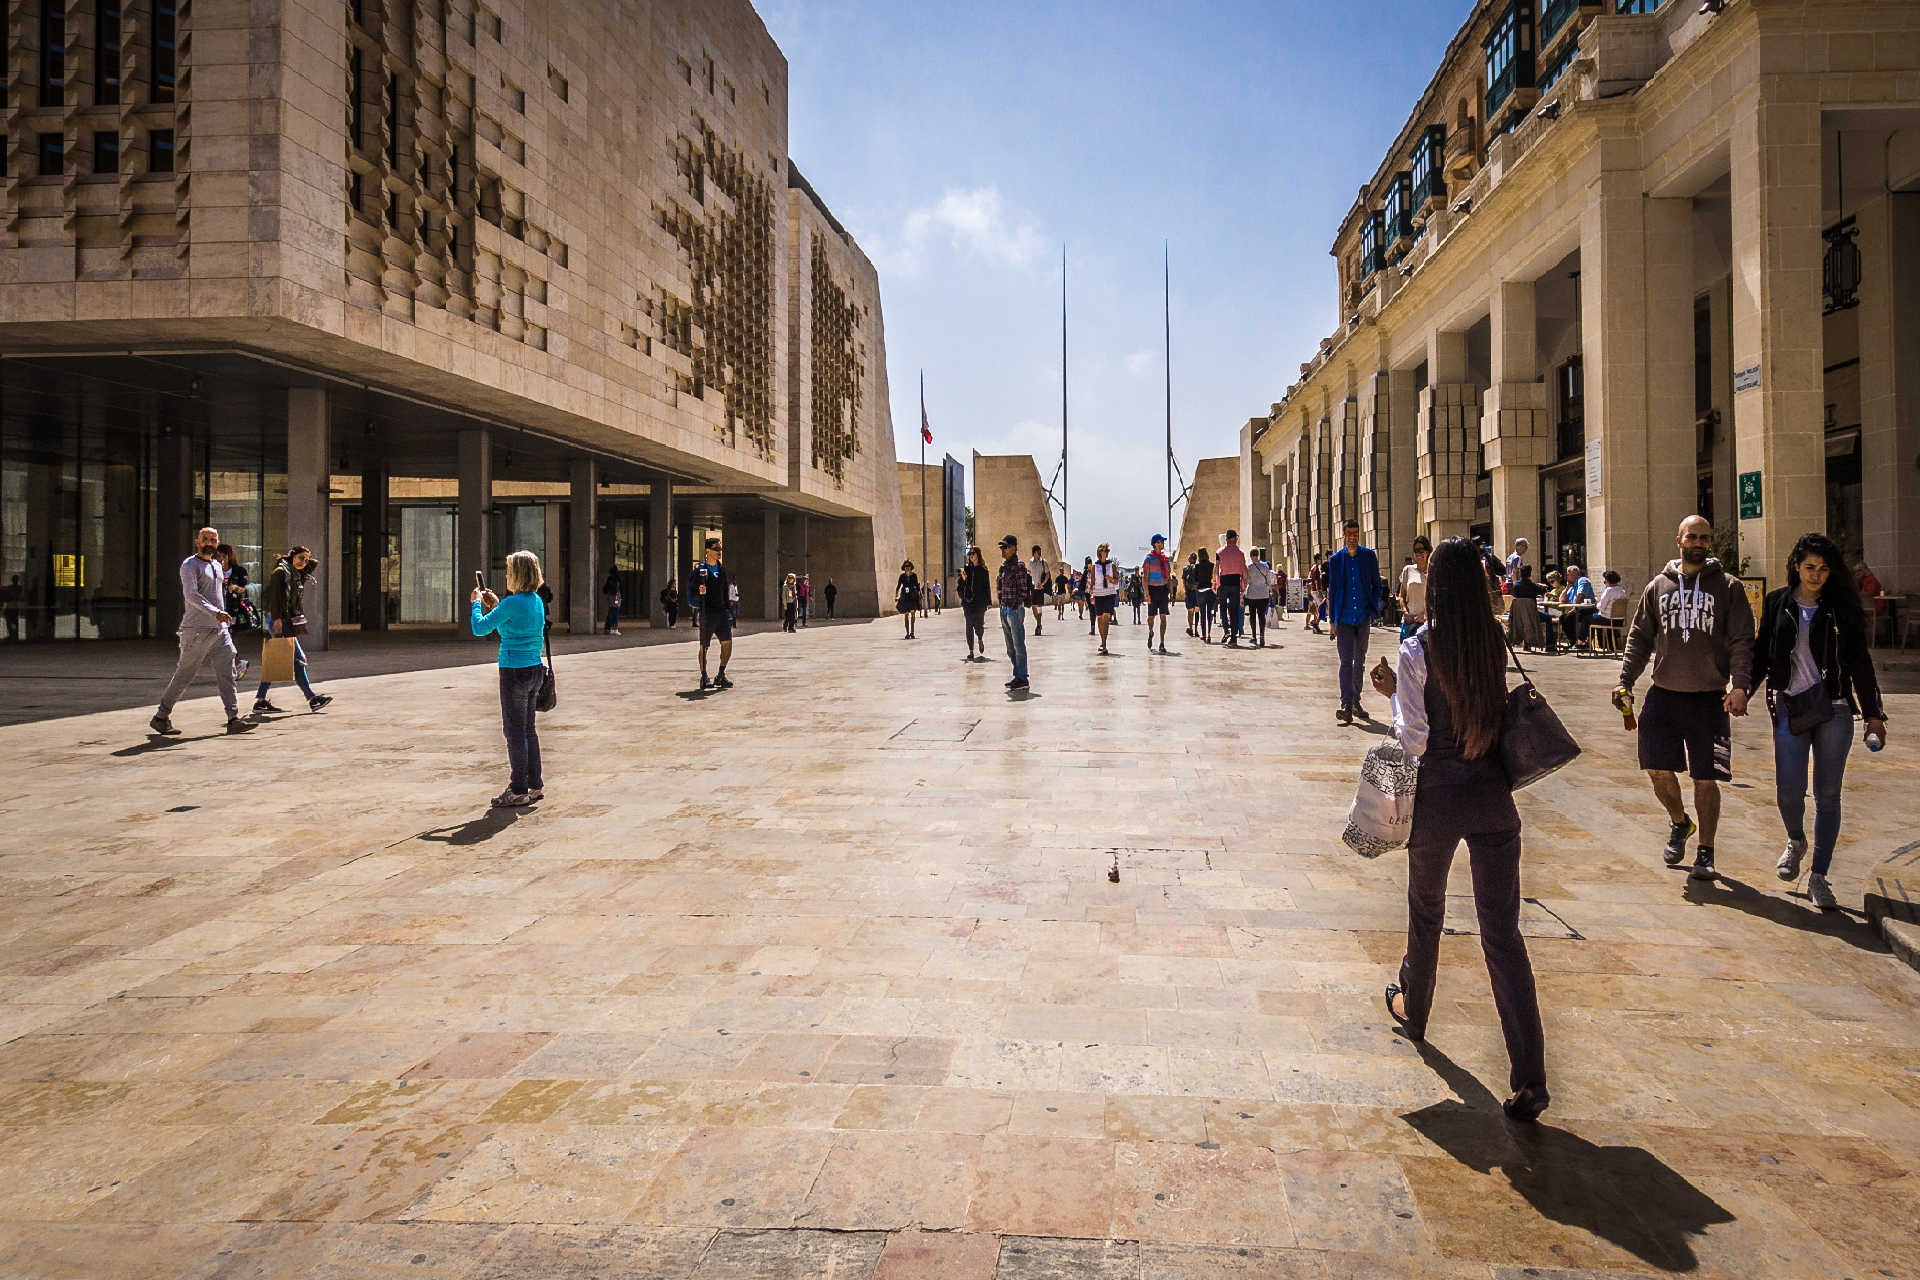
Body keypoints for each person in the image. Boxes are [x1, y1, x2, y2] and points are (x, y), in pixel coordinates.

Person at [1371, 536, 1549, 1123]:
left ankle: (1414, 1006)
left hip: (1439, 798)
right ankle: (1529, 1075)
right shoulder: (1491, 640)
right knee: (1503, 936)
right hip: (1493, 796)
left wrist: (1392, 693)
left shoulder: (1419, 645)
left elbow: (1413, 737)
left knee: (1426, 910)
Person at [1749, 533, 1888, 910]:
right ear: (1796, 566)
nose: (1816, 575)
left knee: (1828, 794)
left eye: (1823, 569)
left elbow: (1860, 662)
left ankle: (1820, 876)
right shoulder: (1778, 602)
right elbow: (1762, 654)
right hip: (1791, 706)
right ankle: (1796, 839)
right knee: (1788, 790)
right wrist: (1741, 692)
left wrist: (1874, 715)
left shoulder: (1841, 607)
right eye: (1810, 567)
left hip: (1836, 709)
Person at [1613, 515, 1755, 882]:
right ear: (1678, 540)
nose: (1698, 542)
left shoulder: (1728, 587)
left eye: (1704, 538)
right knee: (1656, 767)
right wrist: (1625, 680)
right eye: (1692, 536)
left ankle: (1706, 851)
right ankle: (1680, 823)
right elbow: (1639, 638)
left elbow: (1742, 639)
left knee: (1706, 779)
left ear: (1710, 543)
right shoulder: (1657, 587)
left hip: (1709, 698)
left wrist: (1740, 686)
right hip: (1664, 695)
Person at [150, 527, 256, 737]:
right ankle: (161, 717)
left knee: (227, 673)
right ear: (197, 542)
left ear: (217, 543)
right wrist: (216, 612)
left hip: (220, 630)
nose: (209, 542)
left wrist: (224, 616)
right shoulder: (190, 565)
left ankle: (233, 719)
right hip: (196, 630)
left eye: (213, 540)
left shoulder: (217, 565)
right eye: (205, 539)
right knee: (184, 675)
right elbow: (191, 595)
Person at [470, 549, 547, 808]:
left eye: (508, 571)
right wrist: (496, 605)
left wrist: (476, 605)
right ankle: (534, 784)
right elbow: (509, 626)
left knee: (514, 731)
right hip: (535, 668)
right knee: (528, 729)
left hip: (514, 670)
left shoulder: (512, 603)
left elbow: (480, 628)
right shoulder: (534, 600)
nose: (505, 575)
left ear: (517, 574)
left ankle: (517, 789)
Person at [254, 546, 332, 715]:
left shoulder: (297, 574)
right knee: (297, 658)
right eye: (300, 558)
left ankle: (260, 700)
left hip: (286, 619)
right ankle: (312, 698)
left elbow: (313, 563)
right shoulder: (281, 572)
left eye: (306, 559)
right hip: (278, 619)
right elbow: (274, 598)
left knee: (278, 659)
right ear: (292, 557)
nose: (304, 562)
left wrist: (302, 559)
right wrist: (276, 620)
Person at [1327, 520, 1384, 723]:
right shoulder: (1336, 559)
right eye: (1349, 534)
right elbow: (1332, 591)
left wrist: (1374, 607)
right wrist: (1331, 620)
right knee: (1345, 662)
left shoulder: (1368, 557)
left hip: (1362, 617)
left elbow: (1377, 585)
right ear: (1343, 536)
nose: (1352, 537)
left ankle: (1356, 701)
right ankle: (1346, 704)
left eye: (1355, 534)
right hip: (1343, 619)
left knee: (1359, 661)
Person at [691, 539, 734, 690]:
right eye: (716, 548)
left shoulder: (721, 570)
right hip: (707, 613)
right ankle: (704, 676)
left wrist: (728, 609)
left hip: (721, 612)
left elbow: (724, 590)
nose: (719, 551)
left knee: (727, 643)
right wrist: (699, 593)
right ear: (708, 550)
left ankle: (721, 674)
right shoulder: (700, 571)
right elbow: (691, 591)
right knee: (704, 646)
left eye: (720, 548)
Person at [997, 535, 1033, 691]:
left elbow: (1023, 590)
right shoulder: (1004, 567)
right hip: (1005, 609)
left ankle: (1022, 677)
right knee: (1010, 647)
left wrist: (1014, 605)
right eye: (1002, 548)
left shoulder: (1019, 566)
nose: (1003, 551)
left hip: (1014, 610)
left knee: (1018, 645)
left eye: (1005, 547)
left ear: (1013, 548)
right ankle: (1017, 675)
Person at [1215, 530, 1249, 647]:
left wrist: (1216, 583)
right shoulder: (1240, 553)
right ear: (1235, 538)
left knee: (1223, 609)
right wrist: (1244, 585)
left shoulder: (1219, 552)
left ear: (1226, 539)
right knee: (1234, 611)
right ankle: (1234, 638)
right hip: (1235, 584)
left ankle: (1226, 631)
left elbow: (1216, 569)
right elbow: (1244, 571)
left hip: (1224, 584)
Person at [1088, 542, 1122, 655]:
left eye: (1107, 551)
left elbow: (1117, 581)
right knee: (1099, 618)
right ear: (1099, 552)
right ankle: (1102, 642)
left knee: (1106, 618)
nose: (1106, 553)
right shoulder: (1094, 566)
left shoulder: (1112, 566)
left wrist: (1111, 579)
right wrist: (1091, 594)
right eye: (1104, 551)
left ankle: (1104, 643)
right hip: (1098, 594)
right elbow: (1092, 582)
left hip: (1110, 594)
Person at [1142, 535, 1174, 654]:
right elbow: (1144, 577)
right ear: (1155, 544)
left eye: (1163, 542)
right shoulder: (1149, 559)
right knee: (1151, 617)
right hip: (1152, 590)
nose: (1162, 544)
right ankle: (1151, 632)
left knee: (1163, 617)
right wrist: (1146, 593)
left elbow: (1169, 577)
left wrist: (1171, 593)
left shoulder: (1165, 560)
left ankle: (1162, 643)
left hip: (1163, 590)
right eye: (1160, 542)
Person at [959, 545, 991, 661]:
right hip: (968, 602)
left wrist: (988, 602)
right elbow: (960, 586)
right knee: (969, 625)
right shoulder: (966, 569)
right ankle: (971, 651)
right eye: (970, 554)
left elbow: (987, 587)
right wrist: (963, 579)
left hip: (980, 602)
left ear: (978, 555)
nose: (971, 556)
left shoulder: (983, 570)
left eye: (973, 553)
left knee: (979, 624)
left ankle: (980, 638)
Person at [1507, 564, 1548, 653]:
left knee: (1524, 620)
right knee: (1548, 618)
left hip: (1518, 617)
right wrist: (1541, 586)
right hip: (1531, 615)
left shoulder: (1515, 586)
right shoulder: (1532, 585)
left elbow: (1513, 594)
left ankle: (1525, 642)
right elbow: (1543, 590)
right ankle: (1550, 645)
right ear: (1530, 574)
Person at [1398, 536, 1432, 640]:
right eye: (1416, 550)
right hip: (1409, 622)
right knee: (1407, 653)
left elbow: (1436, 599)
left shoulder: (1433, 571)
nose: (1419, 553)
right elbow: (1402, 596)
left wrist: (1426, 616)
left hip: (1426, 623)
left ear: (1427, 551)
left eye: (1422, 550)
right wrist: (1405, 612)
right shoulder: (1408, 570)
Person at [1558, 563, 1596, 651]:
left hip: (1587, 609)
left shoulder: (1582, 580)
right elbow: (1561, 600)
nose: (1566, 577)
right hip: (1578, 610)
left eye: (1568, 575)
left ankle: (1581, 643)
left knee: (1569, 617)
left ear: (1574, 574)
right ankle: (1573, 641)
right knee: (1563, 618)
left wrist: (1575, 608)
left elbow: (1580, 595)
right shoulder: (1571, 586)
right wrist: (1567, 588)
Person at [1245, 546, 1277, 647]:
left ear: (1250, 556)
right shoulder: (1265, 566)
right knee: (1261, 615)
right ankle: (1262, 636)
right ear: (1258, 555)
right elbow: (1268, 581)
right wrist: (1269, 590)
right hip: (1263, 594)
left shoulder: (1248, 567)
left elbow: (1247, 581)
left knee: (1252, 615)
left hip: (1252, 594)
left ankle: (1254, 636)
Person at [1192, 547, 1216, 644]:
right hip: (1210, 591)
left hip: (1200, 591)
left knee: (1202, 614)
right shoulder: (1212, 565)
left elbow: (1195, 580)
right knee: (1209, 612)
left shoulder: (1196, 566)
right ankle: (1209, 633)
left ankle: (1204, 634)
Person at [1027, 546, 1050, 636]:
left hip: (1040, 588)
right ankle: (1039, 624)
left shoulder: (1044, 562)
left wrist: (1043, 583)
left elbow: (1047, 574)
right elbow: (1028, 573)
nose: (1040, 553)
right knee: (1033, 606)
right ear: (1034, 553)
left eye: (1040, 552)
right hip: (1033, 587)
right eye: (1038, 552)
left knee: (1039, 607)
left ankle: (1038, 626)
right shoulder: (1030, 562)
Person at [895, 560, 921, 638]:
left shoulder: (914, 575)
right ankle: (907, 633)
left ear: (911, 567)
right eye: (906, 566)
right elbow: (898, 586)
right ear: (904, 567)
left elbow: (917, 585)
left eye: (909, 566)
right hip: (905, 596)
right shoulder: (902, 576)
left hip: (912, 596)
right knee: (906, 614)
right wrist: (896, 595)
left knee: (913, 613)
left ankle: (912, 632)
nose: (907, 568)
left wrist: (920, 594)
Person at [602, 566, 623, 636]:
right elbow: (619, 588)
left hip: (610, 597)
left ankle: (608, 628)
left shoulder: (609, 578)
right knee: (616, 611)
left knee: (611, 611)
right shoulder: (617, 578)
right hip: (616, 597)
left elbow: (605, 588)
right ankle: (615, 629)